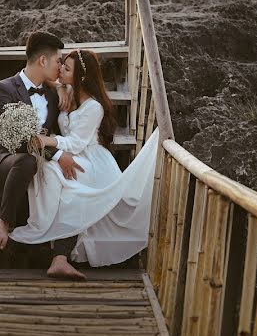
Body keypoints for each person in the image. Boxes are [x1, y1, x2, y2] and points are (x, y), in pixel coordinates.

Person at [9, 47, 160, 277]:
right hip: (74, 154)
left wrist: (45, 139)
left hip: (91, 159)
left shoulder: (94, 107)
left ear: (80, 77)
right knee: (50, 175)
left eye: (66, 69)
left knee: (70, 191)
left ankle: (60, 257)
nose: (60, 69)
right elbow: (46, 81)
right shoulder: (69, 91)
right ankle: (57, 255)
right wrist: (60, 87)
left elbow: (77, 143)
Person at [0, 31, 84, 276]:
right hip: (8, 160)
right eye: (58, 60)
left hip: (43, 162)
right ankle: (3, 222)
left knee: (72, 178)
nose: (60, 66)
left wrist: (60, 86)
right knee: (28, 161)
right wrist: (58, 156)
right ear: (43, 61)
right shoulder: (3, 89)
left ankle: (60, 257)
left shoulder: (52, 93)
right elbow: (19, 140)